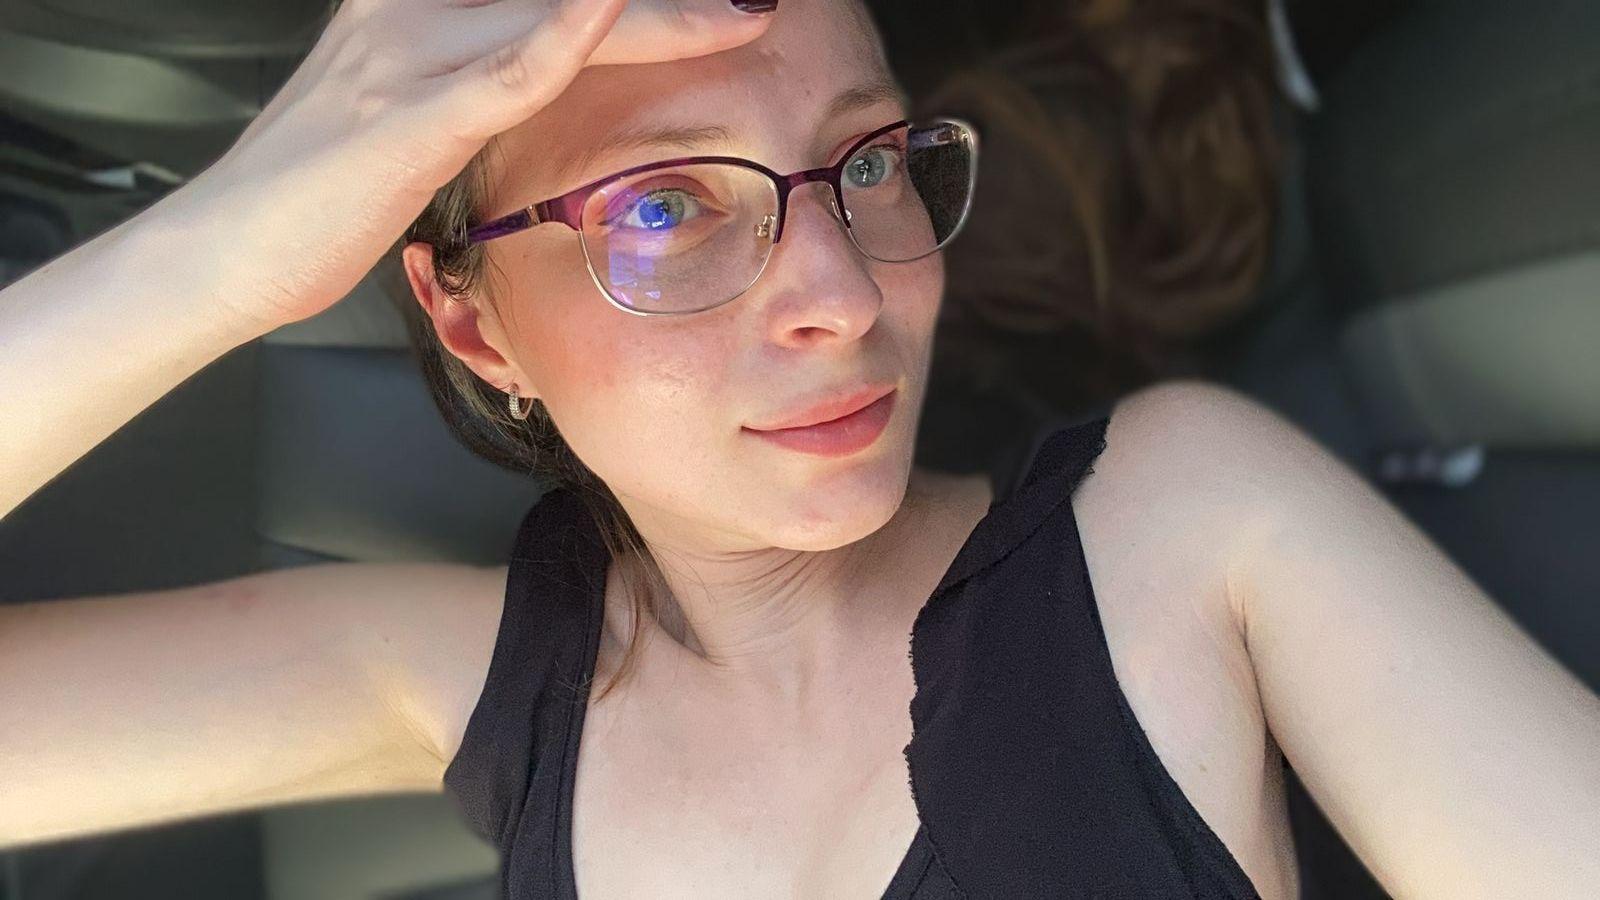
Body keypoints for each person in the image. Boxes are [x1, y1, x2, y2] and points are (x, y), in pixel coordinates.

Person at [0, 0, 1596, 897]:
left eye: (866, 162)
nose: (842, 294)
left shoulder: (1186, 527)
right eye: (661, 206)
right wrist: (218, 253)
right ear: (477, 327)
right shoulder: (476, 678)